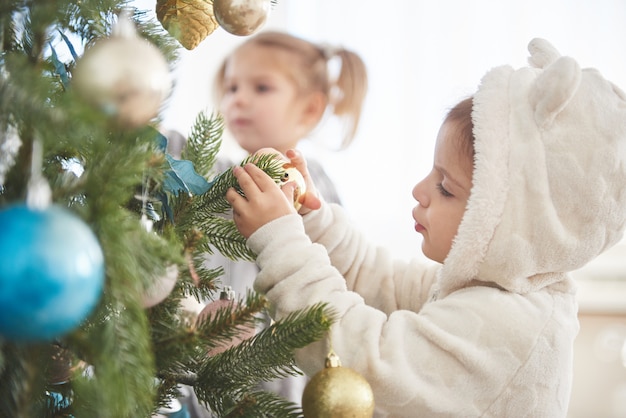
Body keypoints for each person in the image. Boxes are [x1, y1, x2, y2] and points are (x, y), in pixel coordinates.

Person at [224, 38, 626, 417]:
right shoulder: (489, 287)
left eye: (446, 188)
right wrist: (314, 220)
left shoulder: (509, 326)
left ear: (511, 223)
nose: (419, 191)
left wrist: (280, 240)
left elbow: (361, 360)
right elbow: (381, 281)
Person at [206, 30, 368, 406]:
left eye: (261, 88)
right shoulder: (221, 173)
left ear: (310, 109)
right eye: (231, 88)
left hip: (280, 364)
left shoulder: (313, 186)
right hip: (213, 357)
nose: (238, 99)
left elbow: (329, 265)